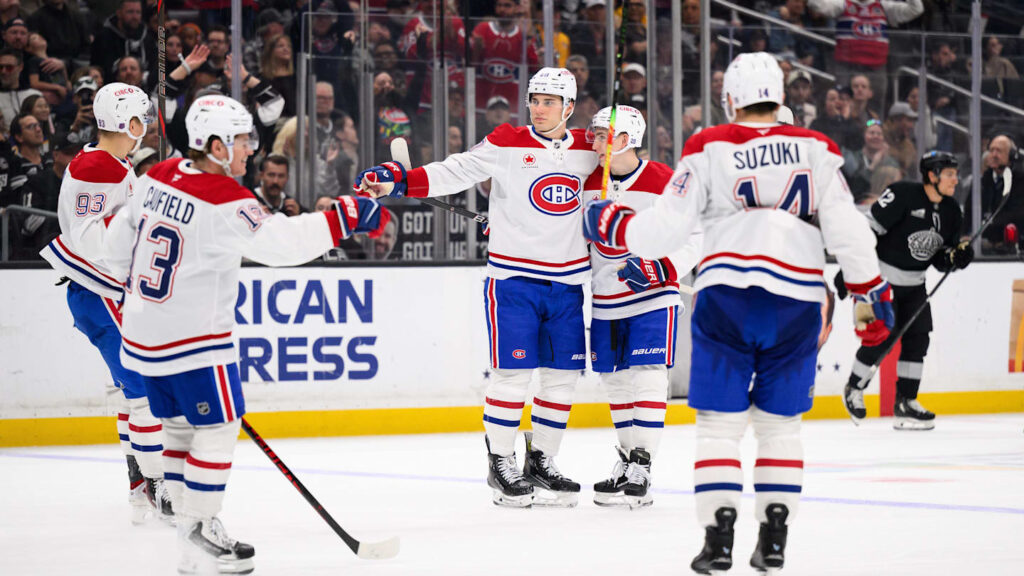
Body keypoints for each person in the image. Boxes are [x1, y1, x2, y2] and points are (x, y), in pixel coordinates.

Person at [582, 52, 892, 573]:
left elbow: (663, 231)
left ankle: (719, 538)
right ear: (781, 97)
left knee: (720, 428)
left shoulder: (708, 146)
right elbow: (848, 230)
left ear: (730, 99)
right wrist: (871, 291)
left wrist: (614, 225)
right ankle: (774, 539)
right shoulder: (817, 148)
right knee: (780, 428)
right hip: (797, 300)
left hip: (725, 295)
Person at [102, 94, 389, 574]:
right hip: (193, 342)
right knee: (216, 428)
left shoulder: (155, 174)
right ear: (214, 145)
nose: (248, 150)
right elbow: (284, 246)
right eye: (239, 141)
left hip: (143, 336)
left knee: (177, 429)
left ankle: (186, 529)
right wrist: (348, 214)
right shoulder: (225, 198)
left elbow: (115, 249)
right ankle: (201, 528)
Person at [357, 67, 598, 508]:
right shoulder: (507, 140)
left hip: (568, 283)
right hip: (514, 279)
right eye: (534, 99)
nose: (539, 108)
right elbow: (456, 171)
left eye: (549, 101)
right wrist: (398, 179)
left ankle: (542, 461)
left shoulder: (588, 147)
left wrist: (621, 128)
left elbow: (623, 171)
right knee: (512, 376)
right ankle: (501, 463)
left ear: (569, 107)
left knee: (562, 378)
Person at [37, 82, 174, 524]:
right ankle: (161, 488)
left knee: (126, 390)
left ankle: (141, 489)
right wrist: (147, 214)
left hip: (99, 294)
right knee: (143, 391)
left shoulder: (111, 162)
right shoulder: (100, 166)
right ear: (128, 123)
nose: (148, 126)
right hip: (100, 292)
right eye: (142, 119)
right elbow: (90, 238)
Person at [583, 105, 701, 509]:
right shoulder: (587, 183)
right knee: (615, 382)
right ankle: (627, 460)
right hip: (605, 299)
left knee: (648, 373)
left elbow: (697, 233)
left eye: (601, 136)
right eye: (595, 135)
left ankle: (643, 463)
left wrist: (661, 266)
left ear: (624, 140)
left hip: (654, 294)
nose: (594, 144)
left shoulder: (664, 182)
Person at [840, 151, 972, 430]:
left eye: (955, 174)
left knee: (917, 340)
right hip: (879, 281)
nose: (955, 180)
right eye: (949, 174)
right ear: (932, 175)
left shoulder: (951, 211)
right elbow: (868, 232)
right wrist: (851, 270)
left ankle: (906, 401)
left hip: (915, 285)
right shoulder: (901, 194)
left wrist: (954, 258)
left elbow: (939, 258)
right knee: (879, 339)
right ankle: (854, 387)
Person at [965, 134, 1024, 253]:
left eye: (999, 151)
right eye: (991, 150)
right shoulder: (981, 183)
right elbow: (968, 214)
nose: (994, 155)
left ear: (1012, 155)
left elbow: (1018, 215)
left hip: (1013, 250)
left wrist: (991, 225)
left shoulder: (1020, 182)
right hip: (982, 249)